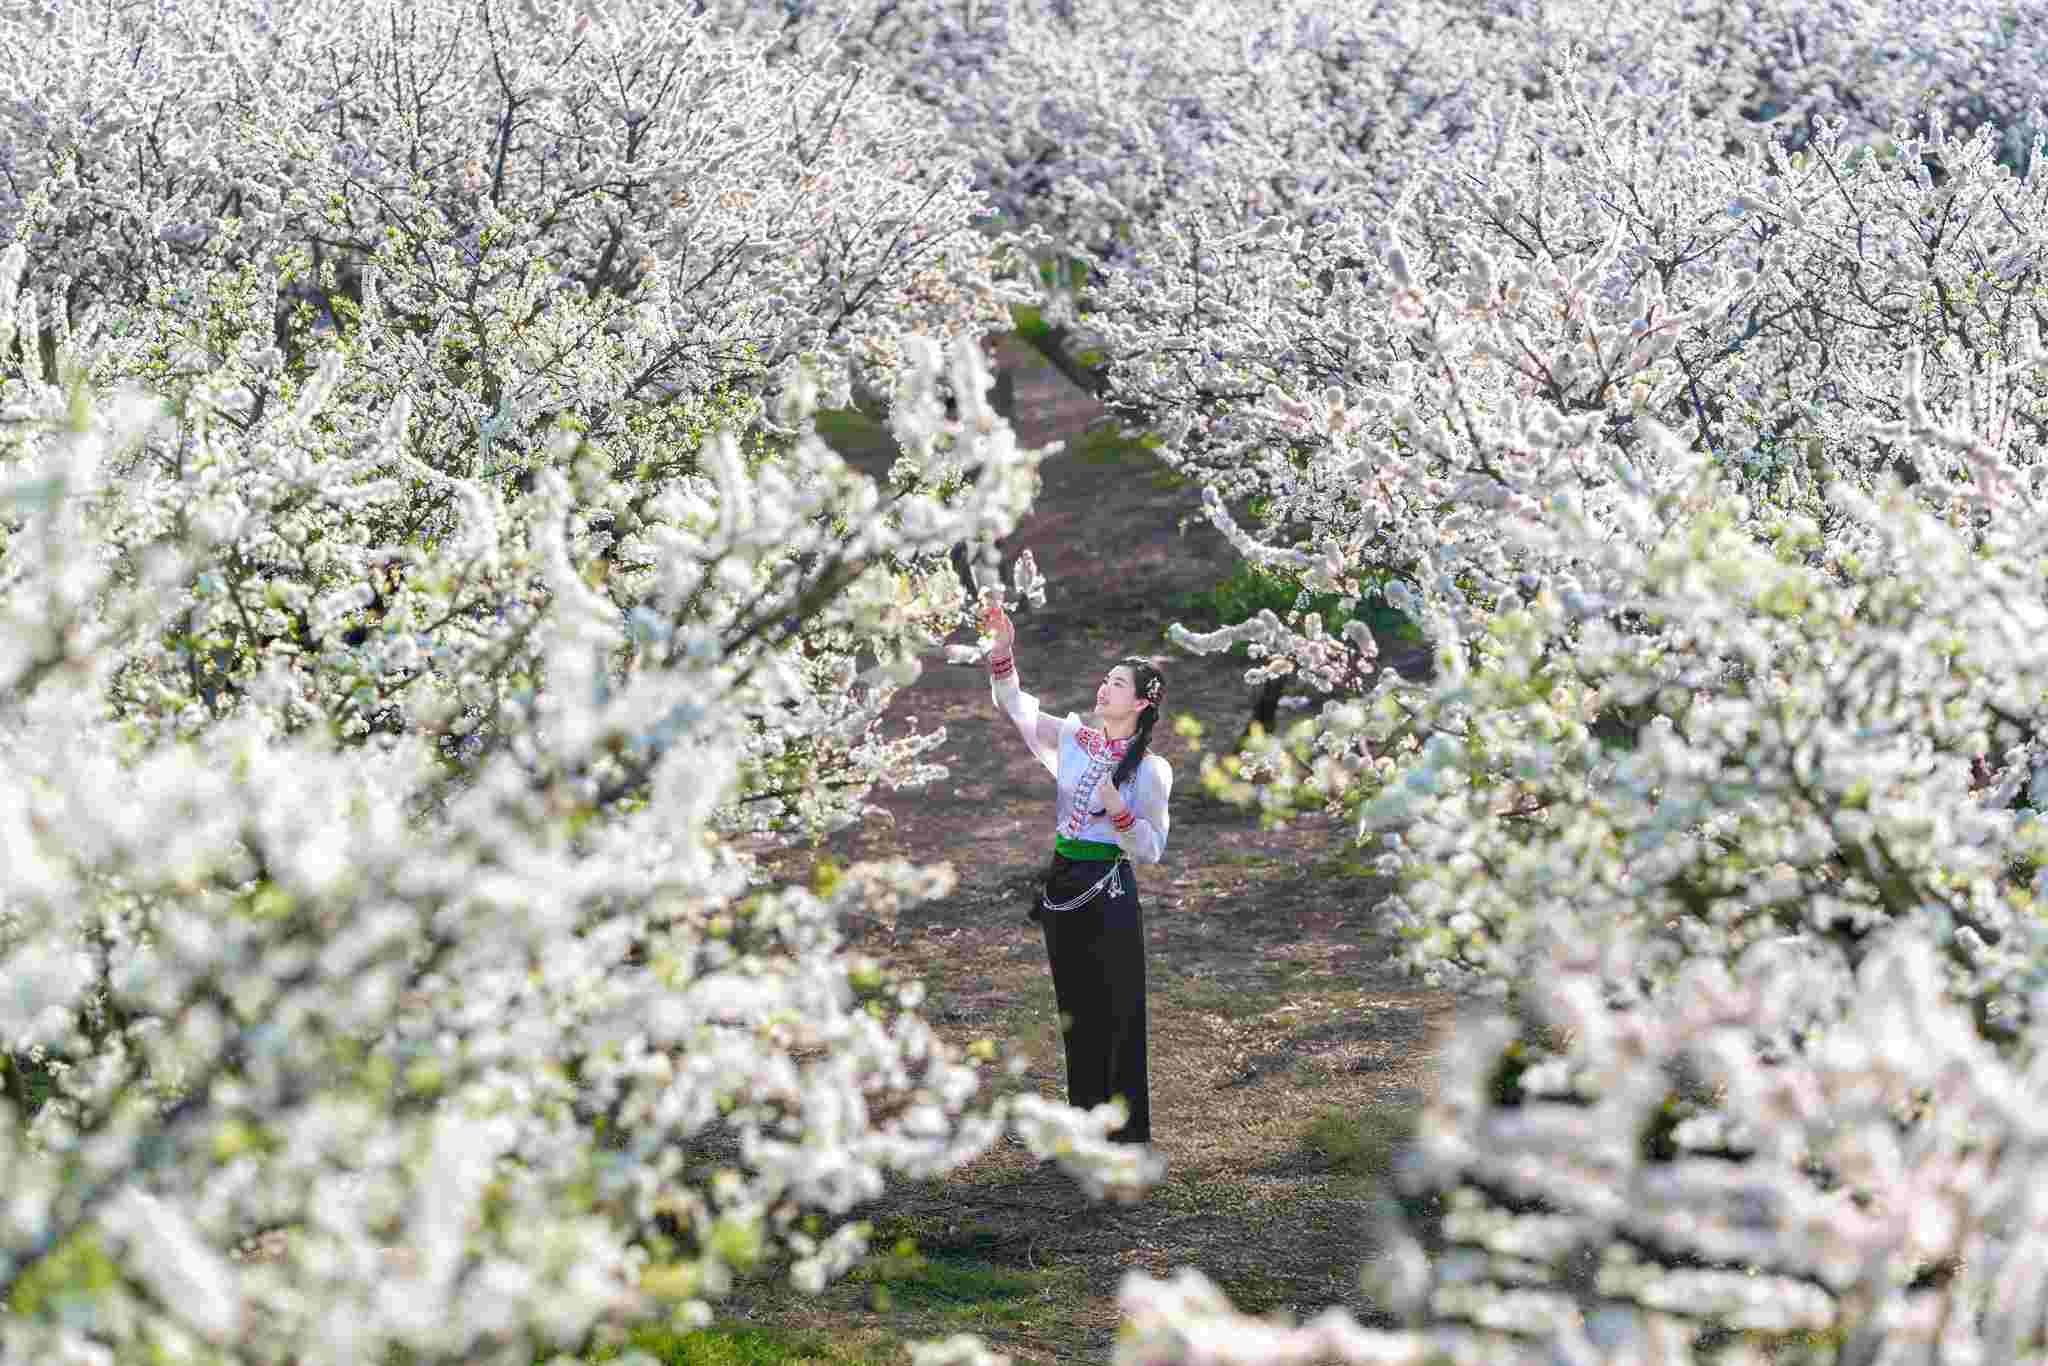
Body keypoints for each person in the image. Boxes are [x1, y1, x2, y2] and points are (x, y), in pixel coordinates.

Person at [981, 600, 1172, 1146]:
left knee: (1117, 1011)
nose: (1103, 687)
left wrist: (1120, 812)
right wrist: (1002, 650)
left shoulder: (1153, 771)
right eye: (1105, 679)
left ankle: (1126, 1140)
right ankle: (1084, 1133)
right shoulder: (1074, 740)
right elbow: (1014, 706)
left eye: (1116, 683)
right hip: (1064, 885)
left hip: (1109, 889)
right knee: (1076, 1012)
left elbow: (1152, 849)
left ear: (1139, 701)